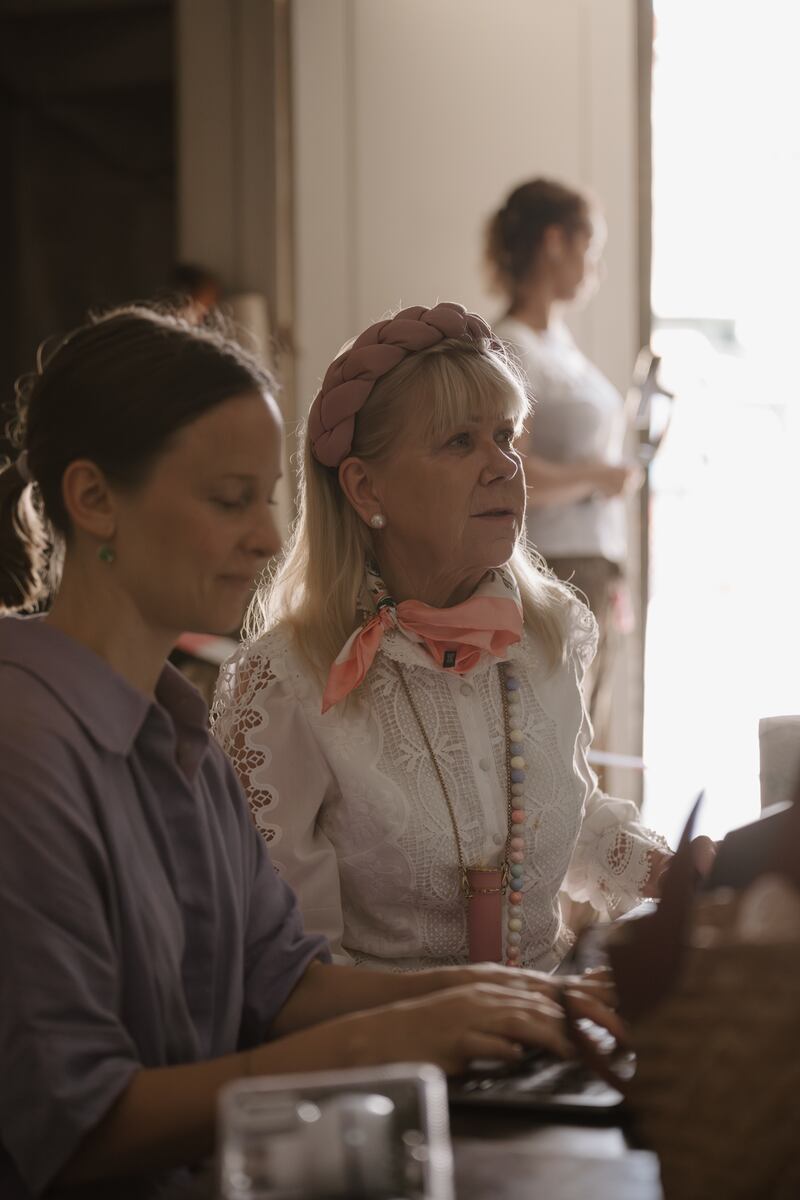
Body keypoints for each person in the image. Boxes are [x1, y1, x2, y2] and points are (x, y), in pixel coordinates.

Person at [0, 306, 614, 1199]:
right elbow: (80, 1129)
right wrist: (386, 1042)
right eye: (227, 499)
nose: (262, 536)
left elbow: (282, 984)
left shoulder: (175, 739)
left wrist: (517, 1003)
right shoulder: (25, 755)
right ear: (94, 499)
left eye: (264, 498)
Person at [212, 301, 683, 976]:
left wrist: (676, 870)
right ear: (365, 485)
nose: (503, 466)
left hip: (545, 1038)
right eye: (460, 442)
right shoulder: (288, 681)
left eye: (506, 436)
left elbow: (561, 816)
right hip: (391, 1065)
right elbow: (291, 970)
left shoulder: (545, 636)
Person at [487, 179, 644, 747]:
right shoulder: (514, 346)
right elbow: (512, 472)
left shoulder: (558, 342)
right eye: (591, 251)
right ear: (555, 243)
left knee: (586, 731)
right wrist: (598, 479)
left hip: (592, 561)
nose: (595, 270)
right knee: (561, 738)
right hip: (557, 564)